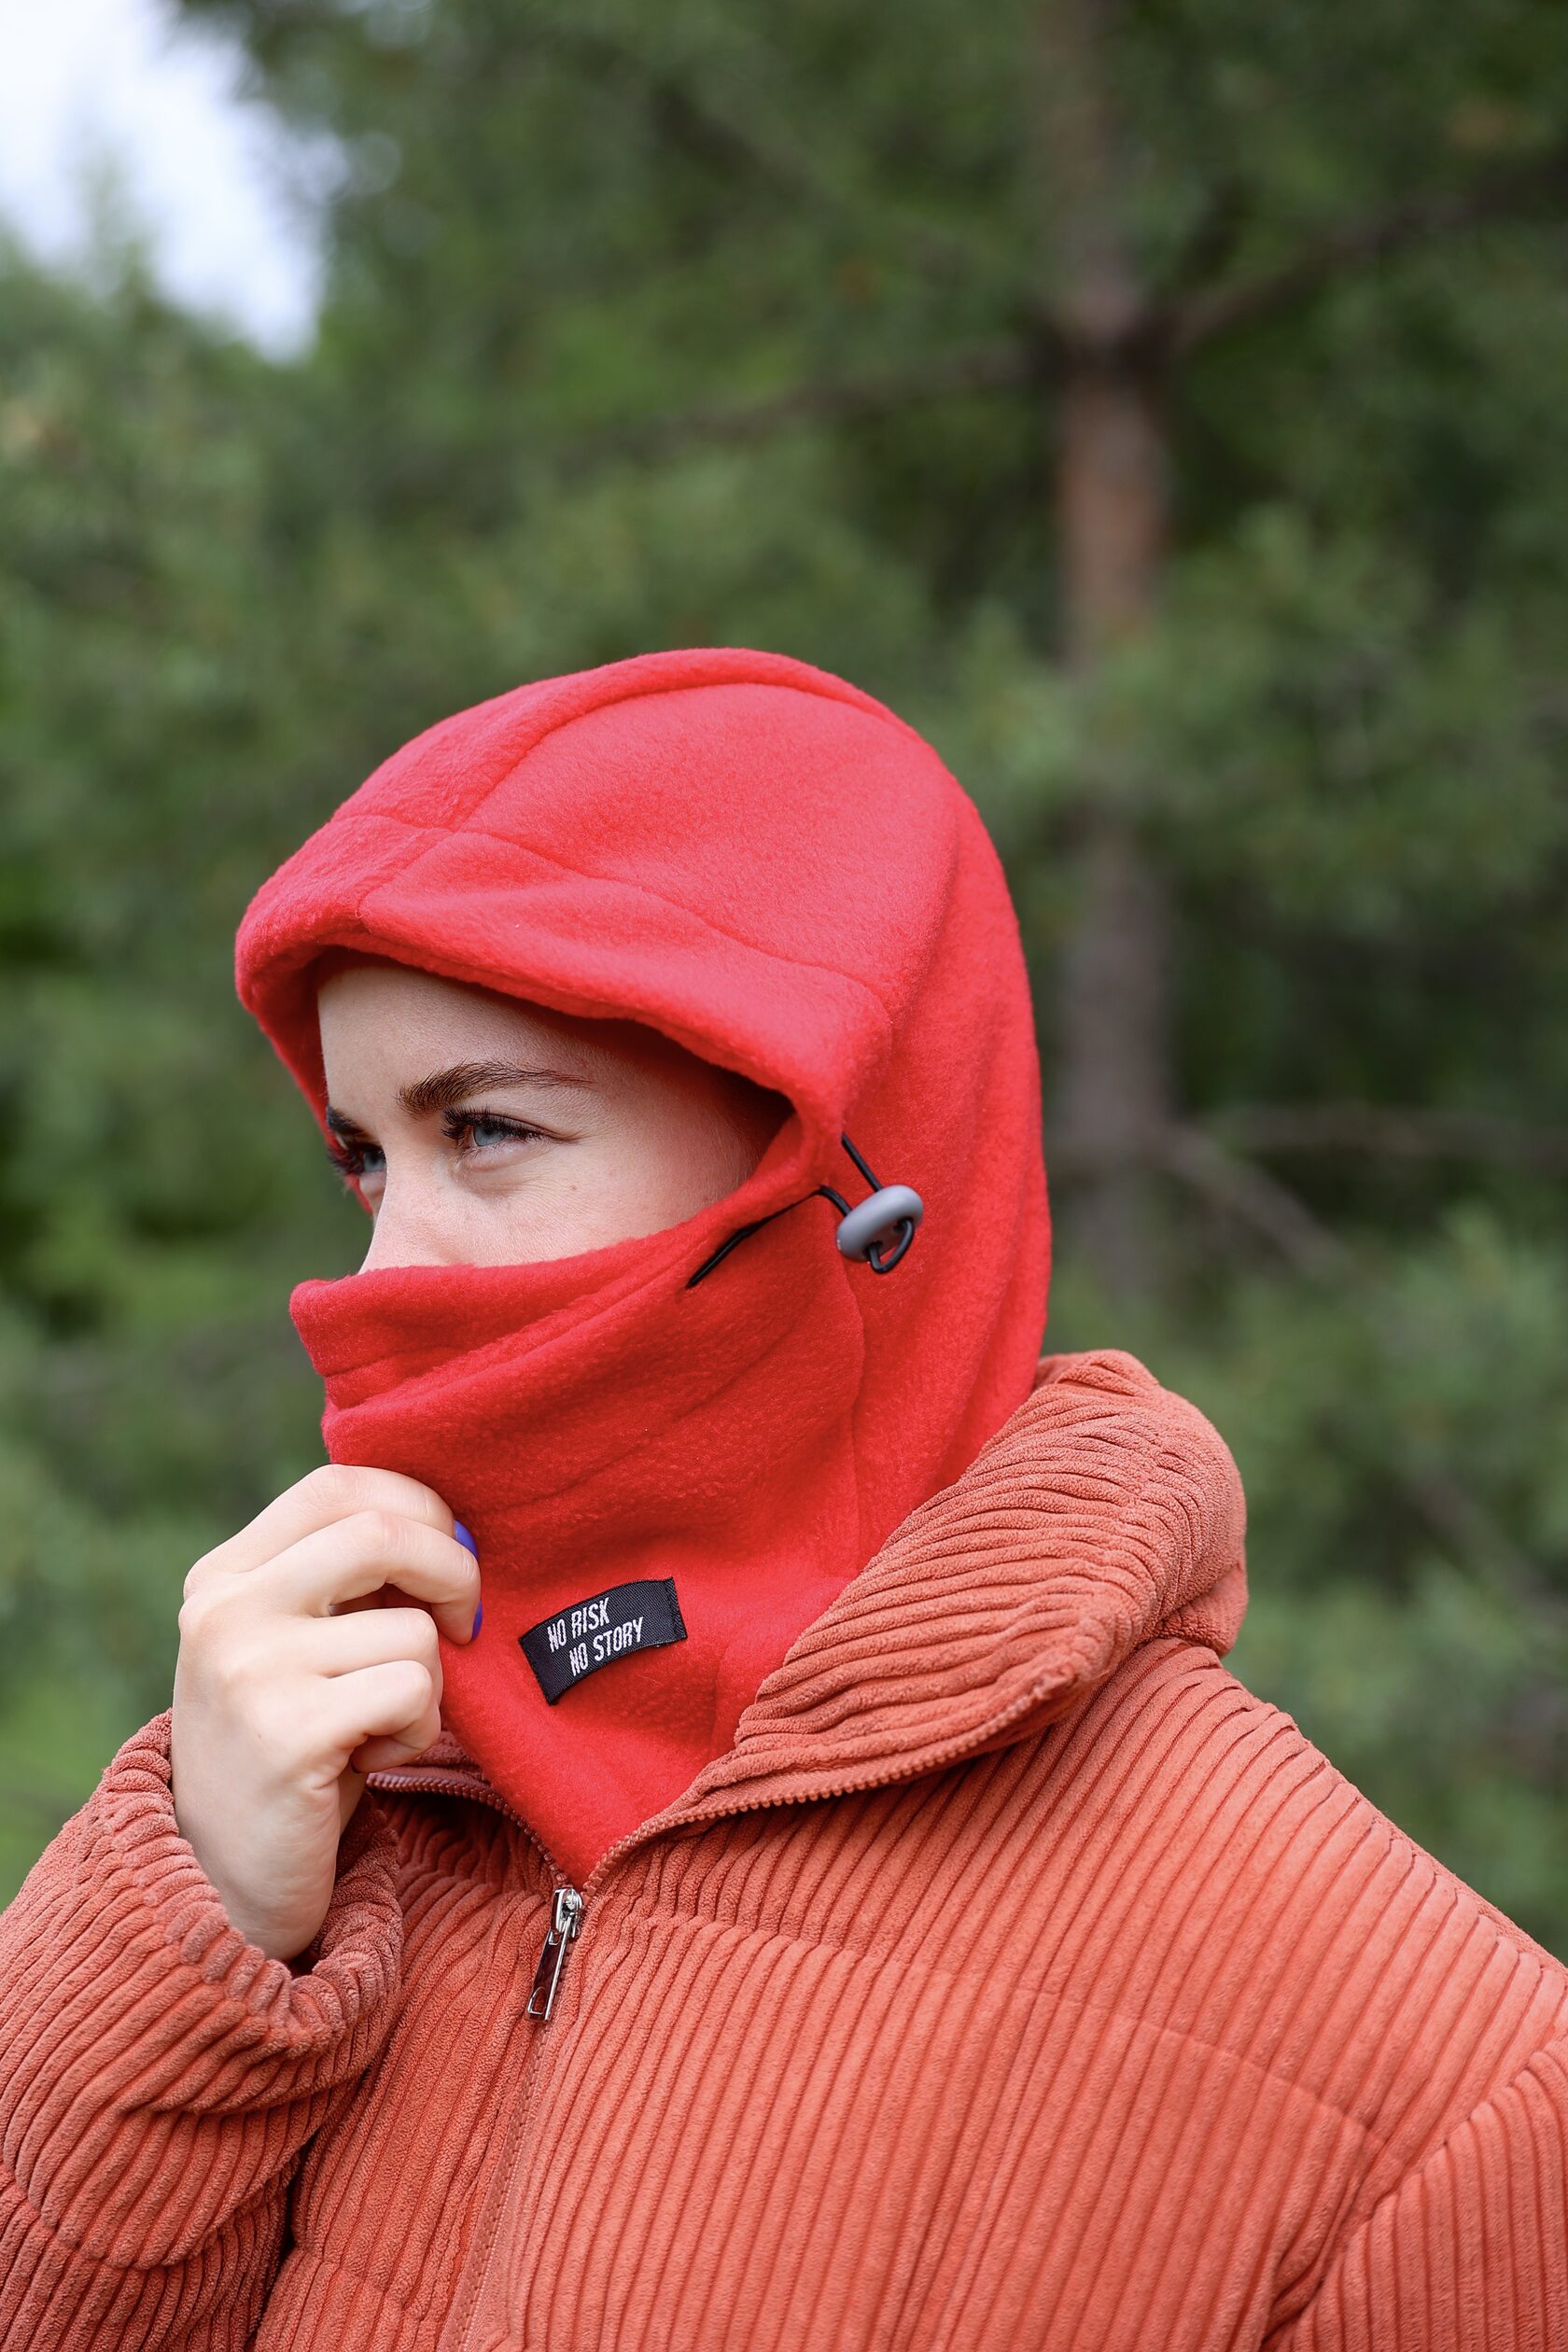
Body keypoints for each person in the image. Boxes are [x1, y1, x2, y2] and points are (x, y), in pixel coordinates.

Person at [0, 646, 1562, 2352]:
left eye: (489, 1131)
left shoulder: (1436, 2094)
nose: (387, 1271)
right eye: (365, 1161)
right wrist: (196, 1929)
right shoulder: (322, 1793)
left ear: (841, 1165)